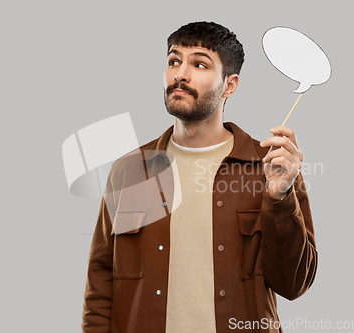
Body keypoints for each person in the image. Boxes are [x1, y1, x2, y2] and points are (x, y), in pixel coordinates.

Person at [81, 21, 317, 333]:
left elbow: (293, 284)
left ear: (229, 85)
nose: (180, 73)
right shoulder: (131, 170)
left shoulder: (272, 167)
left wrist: (280, 197)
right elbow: (101, 283)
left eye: (199, 64)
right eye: (174, 61)